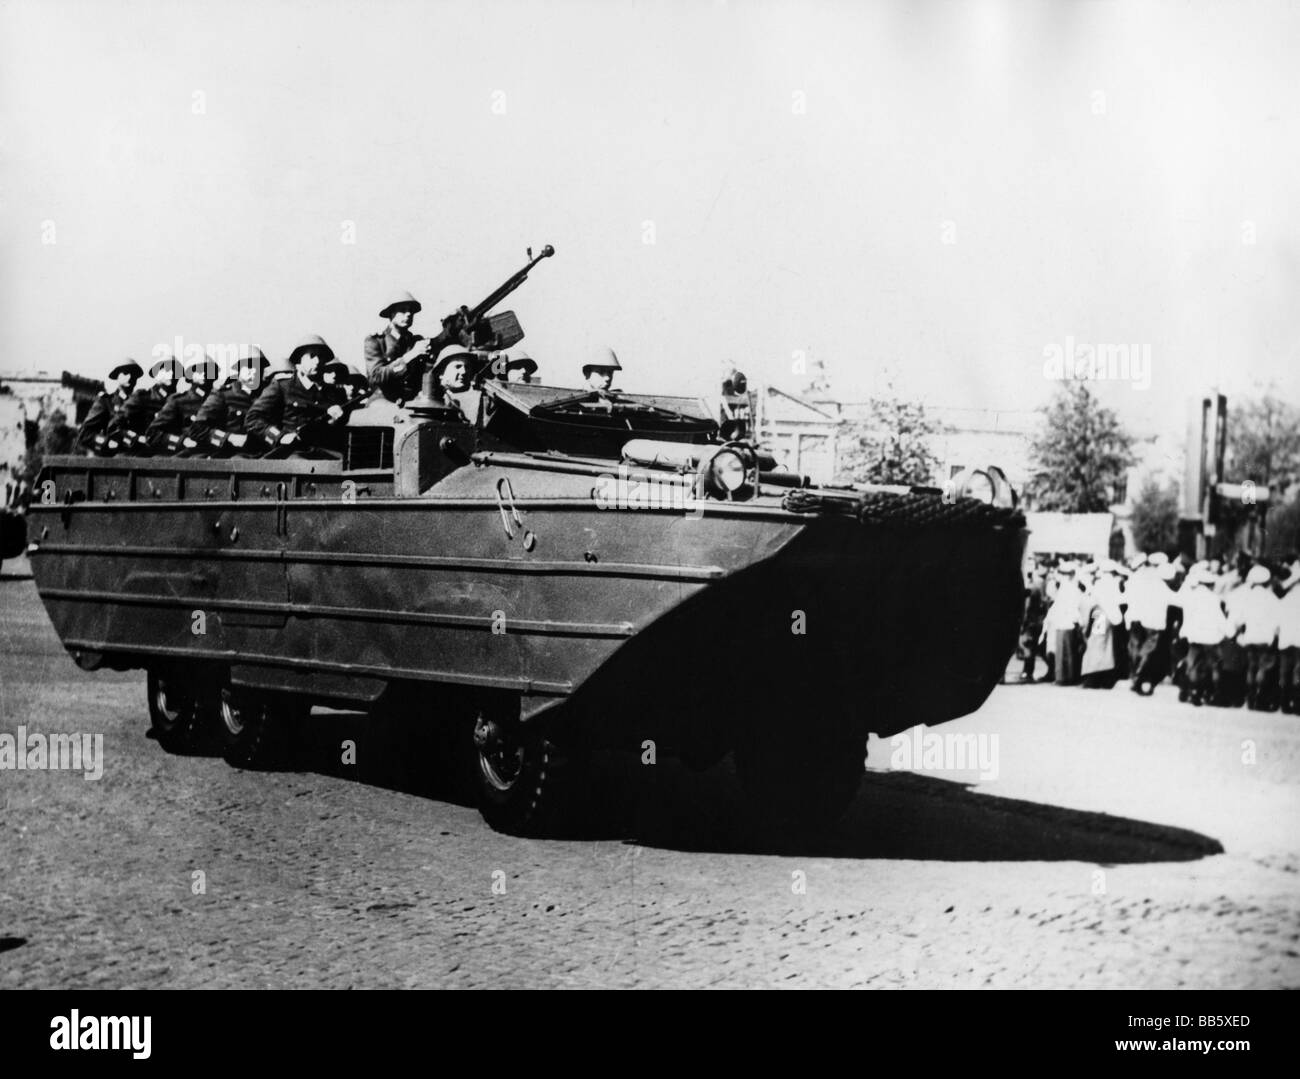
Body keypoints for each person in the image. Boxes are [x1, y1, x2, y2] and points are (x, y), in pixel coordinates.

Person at [245, 335, 347, 453]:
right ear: (300, 359)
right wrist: (280, 437)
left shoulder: (335, 393)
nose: (317, 361)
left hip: (328, 454)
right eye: (312, 356)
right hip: (293, 455)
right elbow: (253, 419)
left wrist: (337, 420)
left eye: (321, 356)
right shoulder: (283, 386)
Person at [184, 348, 270, 453]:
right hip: (232, 456)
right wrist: (229, 438)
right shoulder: (223, 394)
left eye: (258, 367)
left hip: (264, 456)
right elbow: (197, 429)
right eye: (248, 367)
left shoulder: (268, 394)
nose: (253, 372)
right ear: (238, 369)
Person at [364, 290, 442, 403]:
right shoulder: (375, 341)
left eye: (411, 311)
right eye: (403, 310)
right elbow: (376, 377)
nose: (409, 314)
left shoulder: (416, 341)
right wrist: (409, 357)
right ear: (391, 313)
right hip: (383, 402)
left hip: (412, 402)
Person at [1178, 566, 1231, 707]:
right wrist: (1229, 632)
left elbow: (1186, 616)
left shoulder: (1191, 597)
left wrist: (1185, 632)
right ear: (1209, 584)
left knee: (1193, 665)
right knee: (1214, 665)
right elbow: (1220, 619)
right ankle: (1214, 694)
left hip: (1194, 636)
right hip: (1211, 638)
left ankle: (1193, 692)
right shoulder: (1214, 598)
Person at [105, 354, 182, 452]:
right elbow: (114, 427)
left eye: (175, 371)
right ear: (156, 374)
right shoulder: (142, 398)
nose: (171, 374)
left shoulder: (181, 402)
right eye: (166, 369)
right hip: (142, 456)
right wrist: (136, 439)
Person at [1231, 563, 1281, 710]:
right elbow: (1278, 621)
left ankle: (1250, 697)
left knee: (1251, 667)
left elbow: (1238, 621)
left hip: (1250, 637)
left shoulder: (1247, 597)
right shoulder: (1272, 598)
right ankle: (1260, 696)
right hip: (1265, 639)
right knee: (1263, 668)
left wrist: (1238, 634)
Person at [145, 355, 217, 450]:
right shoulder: (179, 401)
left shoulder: (220, 400)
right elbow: (152, 434)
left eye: (208, 370)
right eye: (199, 370)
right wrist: (182, 441)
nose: (204, 373)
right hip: (187, 456)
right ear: (190, 374)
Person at [1125, 552, 1173, 694]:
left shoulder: (1137, 577)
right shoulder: (1158, 579)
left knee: (1135, 646)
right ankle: (1139, 674)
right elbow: (1172, 598)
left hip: (1136, 617)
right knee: (1149, 647)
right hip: (1152, 619)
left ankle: (1135, 675)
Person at [76, 360, 142, 453]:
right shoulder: (106, 401)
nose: (130, 377)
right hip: (112, 459)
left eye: (133, 373)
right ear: (117, 376)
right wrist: (107, 442)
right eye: (125, 373)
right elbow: (84, 434)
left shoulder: (141, 403)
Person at [1042, 562, 1084, 685]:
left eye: (1063, 574)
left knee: (1065, 652)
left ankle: (1064, 678)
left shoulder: (1069, 588)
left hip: (1066, 622)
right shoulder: (1068, 588)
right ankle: (1065, 677)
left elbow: (1072, 607)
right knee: (1065, 651)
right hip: (1064, 622)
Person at [1277, 560, 1300, 714]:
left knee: (1284, 671)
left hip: (1285, 640)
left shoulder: (1285, 599)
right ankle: (1297, 705)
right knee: (1298, 672)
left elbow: (1277, 621)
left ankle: (1284, 704)